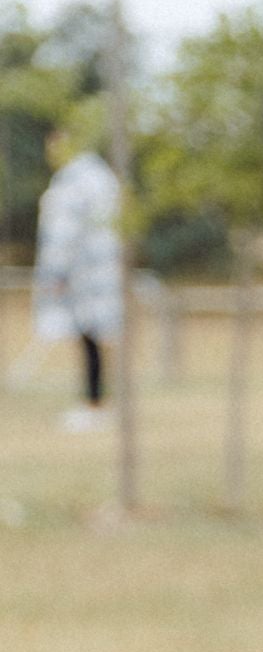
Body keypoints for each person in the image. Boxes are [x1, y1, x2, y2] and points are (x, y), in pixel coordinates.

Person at [33, 131, 123, 432]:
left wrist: (56, 272)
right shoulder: (103, 177)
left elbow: (64, 231)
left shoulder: (73, 181)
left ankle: (94, 404)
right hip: (104, 269)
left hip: (83, 273)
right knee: (99, 338)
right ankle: (98, 402)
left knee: (90, 339)